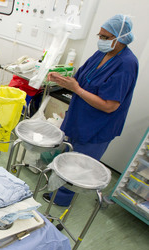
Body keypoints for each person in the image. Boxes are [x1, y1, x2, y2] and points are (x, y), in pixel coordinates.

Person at [44, 14, 139, 206]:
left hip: (98, 125)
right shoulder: (102, 54)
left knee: (79, 166)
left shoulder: (126, 64)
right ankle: (57, 186)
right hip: (80, 116)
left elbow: (110, 105)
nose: (101, 41)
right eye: (100, 36)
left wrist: (76, 89)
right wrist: (62, 79)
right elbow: (81, 78)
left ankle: (62, 199)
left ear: (121, 39)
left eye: (105, 37)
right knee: (68, 156)